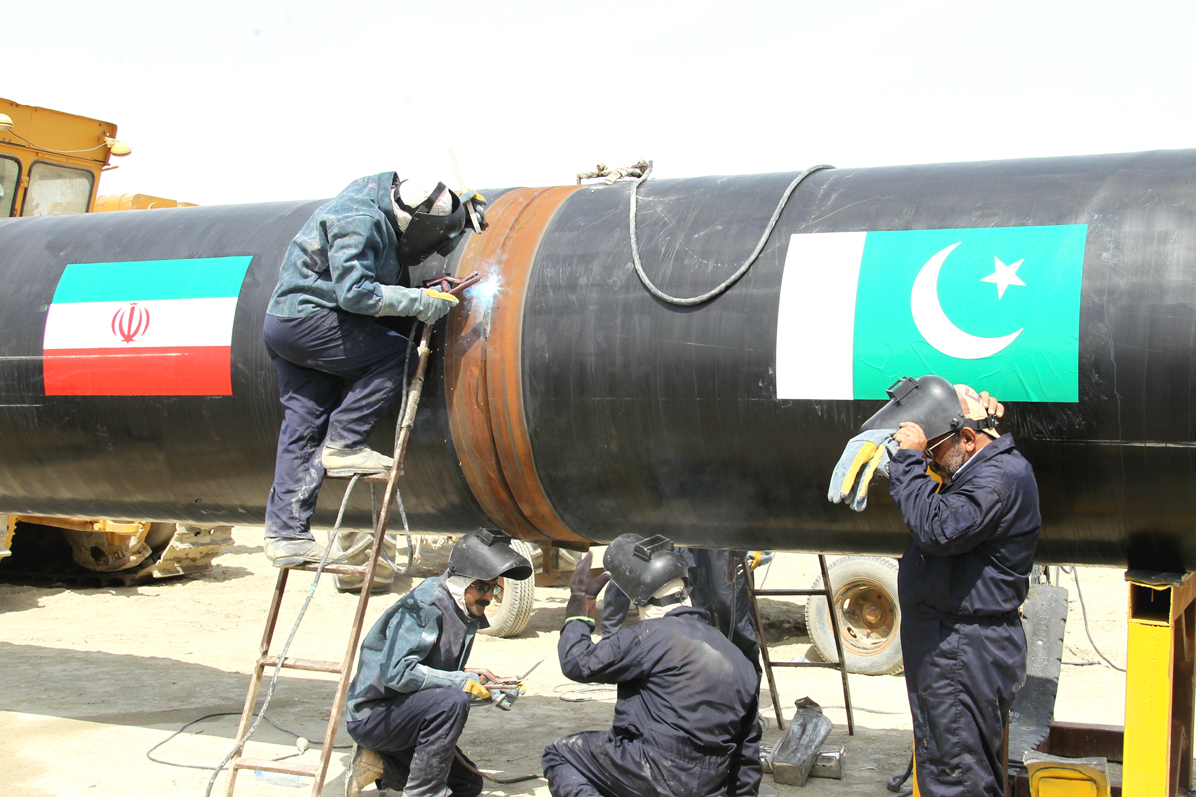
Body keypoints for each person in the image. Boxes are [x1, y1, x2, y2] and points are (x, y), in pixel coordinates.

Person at [261, 172, 484, 567]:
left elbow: (427, 206)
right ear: (414, 222)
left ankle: (286, 536)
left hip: (289, 323)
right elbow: (355, 292)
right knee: (398, 355)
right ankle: (345, 443)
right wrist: (417, 300)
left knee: (304, 423)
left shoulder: (383, 200)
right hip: (310, 321)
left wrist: (460, 208)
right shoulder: (358, 219)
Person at [862, 376, 1039, 797]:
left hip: (964, 649)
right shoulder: (984, 467)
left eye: (934, 450)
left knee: (957, 777)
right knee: (959, 766)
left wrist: (907, 461)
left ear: (968, 438)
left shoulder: (997, 479)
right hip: (955, 644)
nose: (932, 461)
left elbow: (938, 527)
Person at [543, 534, 762, 797]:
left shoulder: (650, 636)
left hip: (650, 768)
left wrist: (580, 605)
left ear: (642, 601)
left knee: (561, 754)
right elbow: (747, 757)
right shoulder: (739, 659)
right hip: (708, 784)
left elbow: (576, 662)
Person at [342, 527, 532, 797]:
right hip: (374, 717)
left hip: (405, 713)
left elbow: (434, 675)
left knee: (468, 786)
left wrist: (489, 688)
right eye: (482, 587)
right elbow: (397, 674)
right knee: (453, 701)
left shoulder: (462, 608)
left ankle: (379, 764)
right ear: (462, 582)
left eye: (494, 589)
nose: (488, 597)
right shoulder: (427, 605)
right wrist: (461, 682)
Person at [600, 547, 760, 674]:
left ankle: (748, 699)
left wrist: (754, 544)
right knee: (696, 612)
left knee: (730, 610)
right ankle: (704, 689)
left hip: (724, 527)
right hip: (690, 532)